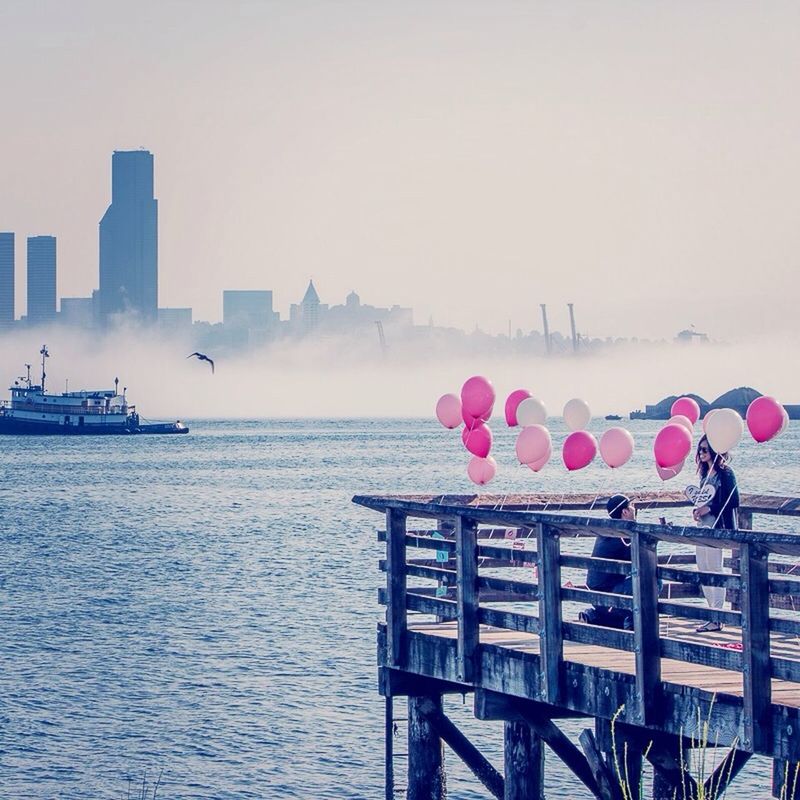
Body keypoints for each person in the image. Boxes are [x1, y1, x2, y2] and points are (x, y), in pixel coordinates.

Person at [692, 434, 740, 632]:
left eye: (705, 449)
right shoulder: (704, 474)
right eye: (699, 450)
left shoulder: (725, 473)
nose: (701, 453)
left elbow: (734, 500)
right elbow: (703, 499)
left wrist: (709, 509)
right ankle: (712, 613)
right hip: (703, 526)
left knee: (714, 568)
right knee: (702, 567)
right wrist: (697, 510)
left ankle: (717, 617)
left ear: (714, 450)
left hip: (717, 526)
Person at [578, 494, 636, 629]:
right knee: (654, 581)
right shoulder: (624, 535)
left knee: (636, 582)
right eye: (631, 506)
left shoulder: (609, 530)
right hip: (608, 594)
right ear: (625, 512)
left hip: (596, 594)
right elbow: (641, 561)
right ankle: (633, 621)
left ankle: (600, 616)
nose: (634, 509)